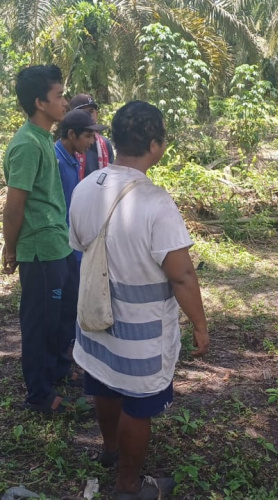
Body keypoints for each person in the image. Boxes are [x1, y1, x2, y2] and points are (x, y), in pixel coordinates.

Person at [68, 100, 210, 500]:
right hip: (140, 331)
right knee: (139, 403)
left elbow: (79, 243)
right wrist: (200, 325)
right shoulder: (155, 201)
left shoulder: (84, 188)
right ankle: (129, 487)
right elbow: (181, 274)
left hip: (95, 320)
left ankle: (111, 451)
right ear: (154, 144)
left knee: (104, 383)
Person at [1, 64, 78, 413]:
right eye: (59, 96)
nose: (65, 102)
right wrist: (11, 248)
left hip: (58, 245)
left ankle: (58, 374)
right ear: (39, 103)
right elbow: (14, 206)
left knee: (61, 317)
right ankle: (40, 395)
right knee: (39, 323)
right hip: (39, 252)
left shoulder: (44, 139)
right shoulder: (27, 145)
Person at [69, 93, 115, 177]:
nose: (88, 116)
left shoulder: (105, 143)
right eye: (82, 112)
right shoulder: (68, 144)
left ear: (96, 114)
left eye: (91, 111)